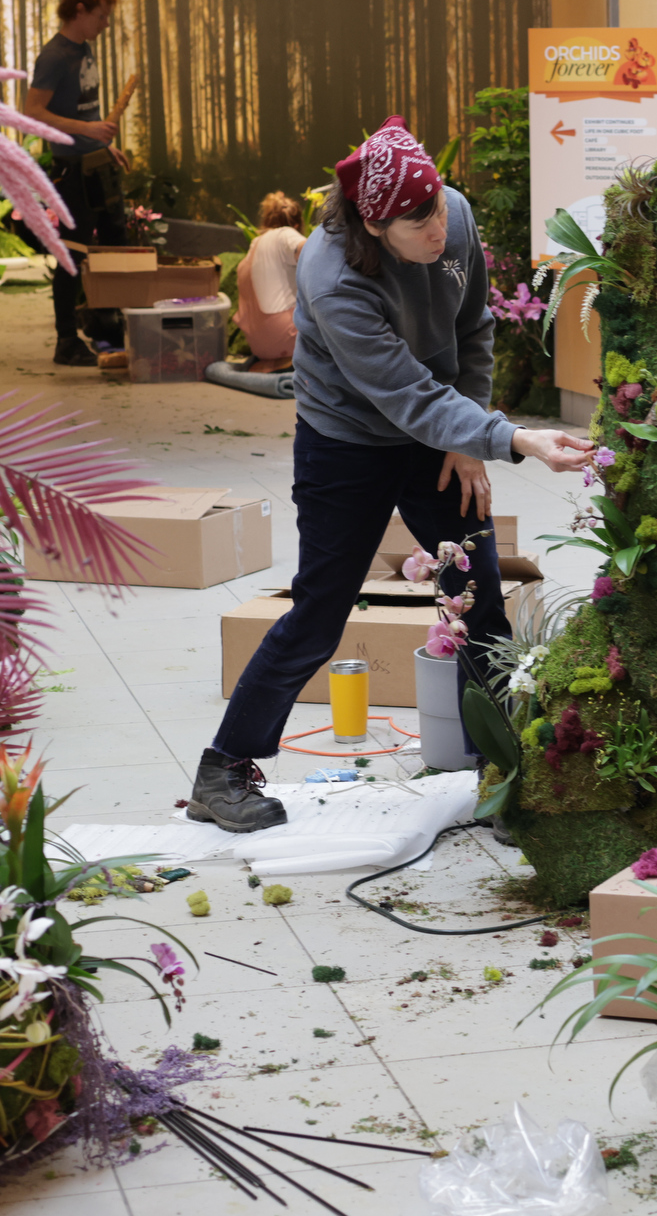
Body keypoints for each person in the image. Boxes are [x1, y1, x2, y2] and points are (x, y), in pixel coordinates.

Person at [188, 118, 595, 833]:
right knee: (320, 611)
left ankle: (498, 770)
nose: (439, 225)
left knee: (478, 598)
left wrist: (468, 435)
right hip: (348, 441)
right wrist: (514, 438)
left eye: (438, 205)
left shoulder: (454, 215)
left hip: (439, 432)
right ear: (375, 226)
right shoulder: (332, 276)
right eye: (418, 220)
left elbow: (474, 331)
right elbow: (403, 395)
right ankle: (223, 770)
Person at [21, 0, 127, 367]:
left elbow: (87, 111)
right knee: (72, 249)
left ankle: (104, 322)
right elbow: (32, 114)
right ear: (79, 11)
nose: (106, 25)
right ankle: (66, 339)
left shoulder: (85, 51)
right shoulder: (53, 56)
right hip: (71, 169)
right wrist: (88, 132)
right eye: (101, 16)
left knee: (116, 240)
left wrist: (105, 143)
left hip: (96, 163)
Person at [238, 190, 306, 367]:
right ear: (297, 225)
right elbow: (308, 249)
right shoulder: (286, 234)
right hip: (287, 337)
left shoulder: (256, 243)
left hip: (259, 345)